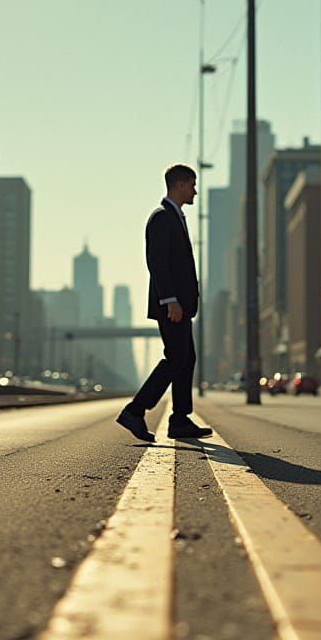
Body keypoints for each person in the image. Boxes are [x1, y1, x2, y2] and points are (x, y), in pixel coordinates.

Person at [116, 164, 213, 443]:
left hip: (180, 305)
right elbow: (157, 263)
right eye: (192, 184)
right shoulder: (162, 217)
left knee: (185, 357)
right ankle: (135, 410)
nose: (195, 190)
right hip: (171, 306)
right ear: (180, 185)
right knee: (177, 357)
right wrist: (170, 299)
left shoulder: (174, 217)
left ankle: (180, 419)